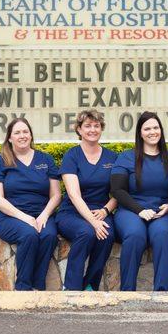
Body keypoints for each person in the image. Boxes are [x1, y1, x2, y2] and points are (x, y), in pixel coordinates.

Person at [110, 111, 168, 291]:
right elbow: (117, 190)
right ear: (140, 133)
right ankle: (127, 292)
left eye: (156, 127)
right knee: (135, 235)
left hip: (161, 212)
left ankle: (162, 292)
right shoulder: (127, 157)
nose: (152, 132)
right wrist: (139, 210)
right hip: (131, 210)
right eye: (147, 128)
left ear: (161, 130)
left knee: (163, 235)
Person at [0, 118, 61, 291]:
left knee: (49, 235)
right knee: (29, 234)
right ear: (10, 138)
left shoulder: (46, 159)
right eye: (17, 132)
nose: (22, 136)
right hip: (9, 216)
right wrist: (25, 218)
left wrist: (44, 215)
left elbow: (56, 194)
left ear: (31, 135)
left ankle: (38, 285)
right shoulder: (0, 161)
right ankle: (23, 287)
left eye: (25, 132)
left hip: (42, 213)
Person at [56, 110, 117, 291]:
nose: (92, 130)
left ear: (101, 129)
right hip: (72, 212)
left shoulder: (112, 158)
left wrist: (106, 210)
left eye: (96, 126)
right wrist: (93, 223)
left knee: (108, 235)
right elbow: (74, 195)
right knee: (86, 232)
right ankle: (72, 288)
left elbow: (118, 193)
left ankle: (90, 285)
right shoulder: (71, 155)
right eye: (88, 126)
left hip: (101, 210)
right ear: (80, 130)